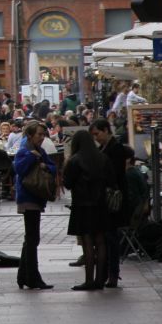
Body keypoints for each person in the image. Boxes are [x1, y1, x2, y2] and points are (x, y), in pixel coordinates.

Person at [63, 130, 110, 290]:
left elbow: (67, 183)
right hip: (101, 205)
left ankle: (89, 279)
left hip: (82, 205)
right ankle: (100, 279)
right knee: (101, 240)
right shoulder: (102, 158)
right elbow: (112, 180)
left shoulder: (75, 160)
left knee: (87, 241)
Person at [13, 121, 57, 290]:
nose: (42, 137)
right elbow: (19, 169)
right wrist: (32, 157)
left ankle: (24, 275)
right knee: (32, 238)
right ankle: (32, 277)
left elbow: (53, 168)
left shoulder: (41, 151)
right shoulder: (25, 150)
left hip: (36, 198)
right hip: (28, 198)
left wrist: (45, 165)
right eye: (39, 134)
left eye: (43, 134)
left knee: (31, 239)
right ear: (30, 135)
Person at [89, 117, 128, 288]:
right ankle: (107, 273)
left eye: (97, 134)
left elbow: (114, 174)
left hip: (113, 199)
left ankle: (113, 273)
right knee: (107, 237)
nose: (95, 138)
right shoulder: (104, 147)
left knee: (111, 237)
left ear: (106, 130)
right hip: (105, 199)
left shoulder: (115, 148)